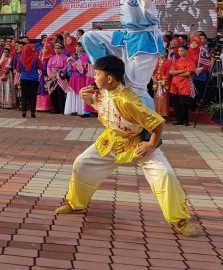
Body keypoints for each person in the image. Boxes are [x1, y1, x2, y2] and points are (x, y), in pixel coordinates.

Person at [55, 55, 197, 237]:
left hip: (138, 142)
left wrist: (151, 144)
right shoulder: (103, 91)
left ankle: (179, 219)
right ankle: (75, 204)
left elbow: (157, 122)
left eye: (96, 74)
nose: (93, 77)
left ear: (109, 78)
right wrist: (88, 100)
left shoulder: (126, 100)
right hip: (111, 140)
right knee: (82, 163)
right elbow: (105, 109)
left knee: (164, 174)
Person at [81, 0, 163, 111]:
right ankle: (108, 74)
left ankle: (152, 132)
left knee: (137, 88)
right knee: (89, 38)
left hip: (145, 41)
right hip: (127, 36)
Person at [65, 43, 94, 116]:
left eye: (79, 46)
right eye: (77, 46)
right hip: (74, 76)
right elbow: (69, 67)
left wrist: (76, 62)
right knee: (72, 91)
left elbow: (86, 65)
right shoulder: (73, 55)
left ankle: (82, 109)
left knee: (81, 91)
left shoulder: (86, 56)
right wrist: (71, 61)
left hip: (82, 76)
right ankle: (73, 109)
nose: (77, 48)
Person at [169, 46, 195, 126]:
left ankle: (185, 120)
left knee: (183, 103)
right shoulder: (175, 61)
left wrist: (177, 72)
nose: (180, 52)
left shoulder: (190, 61)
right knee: (175, 103)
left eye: (182, 50)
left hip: (184, 84)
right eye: (179, 51)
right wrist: (183, 71)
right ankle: (178, 119)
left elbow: (188, 73)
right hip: (174, 84)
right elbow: (171, 72)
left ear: (187, 51)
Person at [17, 44, 44, 118]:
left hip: (24, 78)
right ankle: (32, 112)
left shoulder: (21, 58)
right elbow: (41, 67)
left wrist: (24, 72)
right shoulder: (36, 58)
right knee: (33, 96)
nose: (34, 49)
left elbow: (18, 69)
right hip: (34, 79)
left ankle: (23, 111)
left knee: (24, 95)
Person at [47, 43, 69, 115]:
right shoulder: (52, 58)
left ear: (62, 49)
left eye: (58, 48)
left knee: (61, 93)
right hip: (52, 77)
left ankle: (62, 109)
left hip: (61, 77)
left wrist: (57, 75)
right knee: (53, 93)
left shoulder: (66, 58)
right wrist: (51, 75)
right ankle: (56, 108)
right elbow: (48, 67)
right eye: (55, 48)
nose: (56, 49)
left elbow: (65, 68)